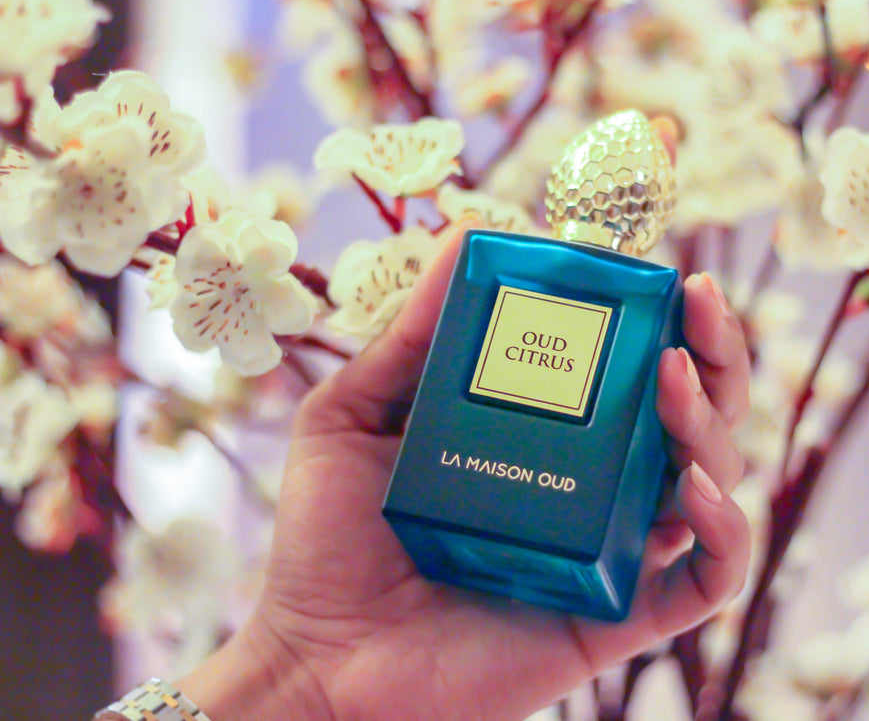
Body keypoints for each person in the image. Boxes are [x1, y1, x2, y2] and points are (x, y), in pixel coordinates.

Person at [172, 223, 752, 720]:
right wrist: (293, 662)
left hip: (509, 551)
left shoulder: (627, 286)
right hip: (463, 546)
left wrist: (299, 675)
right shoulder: (512, 263)